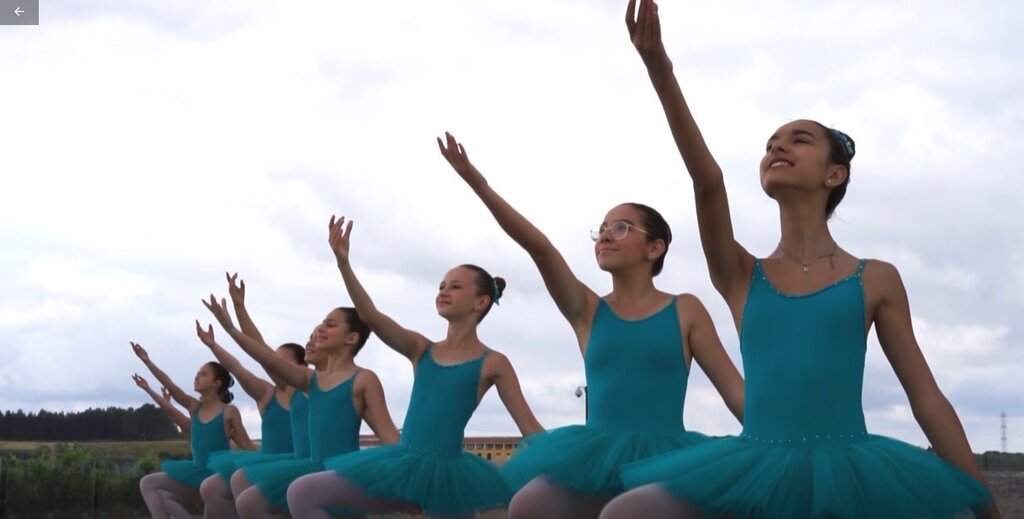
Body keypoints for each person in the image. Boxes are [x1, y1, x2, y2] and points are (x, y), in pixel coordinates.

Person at [601, 2, 1000, 518]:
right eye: (770, 144)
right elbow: (707, 182)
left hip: (851, 471)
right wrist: (661, 70)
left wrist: (985, 505)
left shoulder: (874, 279)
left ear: (835, 175)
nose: (777, 147)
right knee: (624, 513)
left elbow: (925, 397)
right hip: (754, 466)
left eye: (799, 139)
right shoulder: (741, 275)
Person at [438, 133, 744, 519]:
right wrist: (477, 183)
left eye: (620, 228)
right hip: (591, 455)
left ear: (655, 247)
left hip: (668, 457)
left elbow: (734, 389)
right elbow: (540, 248)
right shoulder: (587, 310)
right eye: (601, 228)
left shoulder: (685, 309)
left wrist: (774, 443)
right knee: (528, 505)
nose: (604, 235)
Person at [284, 215, 544, 519]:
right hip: (399, 466)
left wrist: (563, 462)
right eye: (441, 285)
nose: (443, 291)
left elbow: (528, 427)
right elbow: (371, 317)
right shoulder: (421, 349)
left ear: (481, 302)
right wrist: (344, 264)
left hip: (448, 475)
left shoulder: (493, 362)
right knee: (302, 491)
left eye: (455, 287)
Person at [204, 296, 399, 518]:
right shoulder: (310, 380)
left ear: (352, 338)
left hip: (343, 471)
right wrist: (230, 327)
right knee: (250, 501)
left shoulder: (364, 379)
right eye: (322, 323)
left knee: (295, 492)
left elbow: (387, 432)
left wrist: (407, 473)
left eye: (330, 324)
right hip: (312, 467)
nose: (321, 329)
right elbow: (266, 357)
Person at [133, 342, 254, 519]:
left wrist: (266, 463)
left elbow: (246, 445)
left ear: (217, 383)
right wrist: (147, 361)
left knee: (148, 484)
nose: (197, 377)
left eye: (203, 374)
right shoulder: (194, 407)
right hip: (195, 474)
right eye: (197, 374)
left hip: (217, 478)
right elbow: (171, 387)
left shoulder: (229, 411)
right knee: (153, 489)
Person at [132, 373, 191, 441]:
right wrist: (168, 402)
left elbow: (173, 413)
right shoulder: (194, 426)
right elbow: (174, 415)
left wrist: (148, 389)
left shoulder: (197, 427)